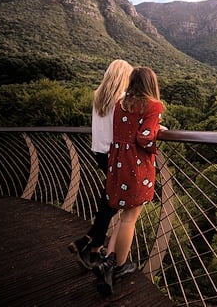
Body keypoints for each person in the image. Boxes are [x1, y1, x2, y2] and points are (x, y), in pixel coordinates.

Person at [95, 67, 166, 296]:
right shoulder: (153, 106)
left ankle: (108, 258)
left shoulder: (121, 104)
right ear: (151, 83)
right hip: (136, 167)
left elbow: (125, 131)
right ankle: (119, 266)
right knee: (130, 218)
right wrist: (156, 127)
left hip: (117, 163)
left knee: (124, 214)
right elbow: (144, 138)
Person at [68, 59, 133, 270]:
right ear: (125, 77)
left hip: (99, 152)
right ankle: (90, 244)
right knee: (114, 201)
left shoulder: (98, 96)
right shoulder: (122, 100)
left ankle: (91, 245)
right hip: (116, 156)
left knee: (110, 199)